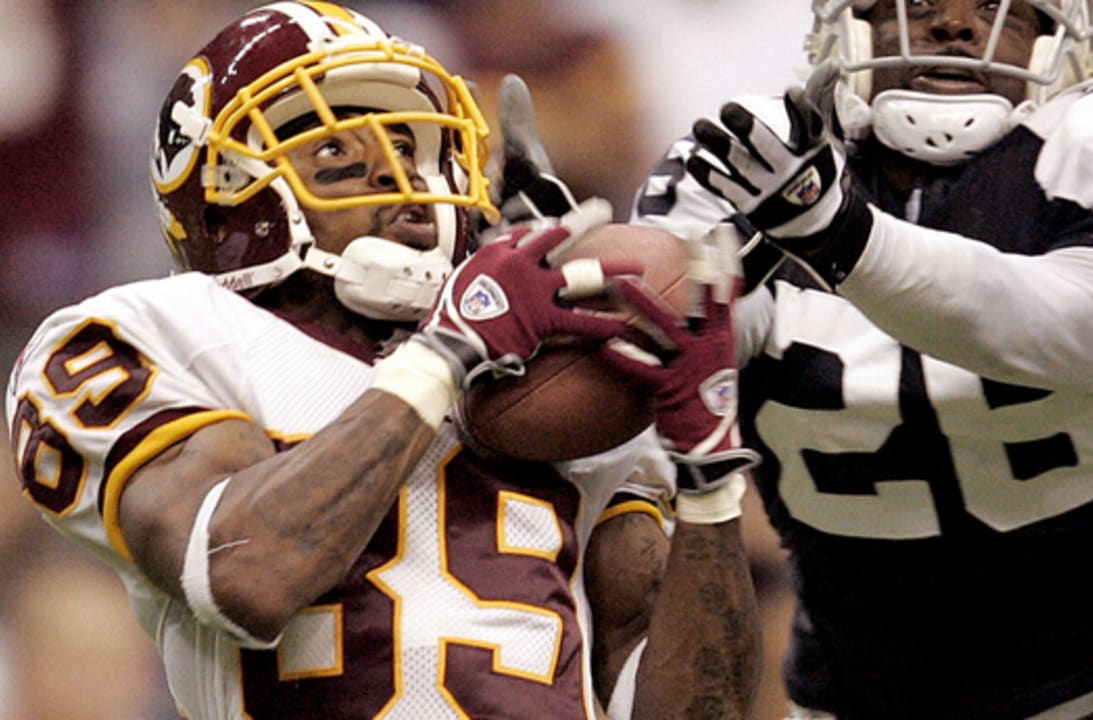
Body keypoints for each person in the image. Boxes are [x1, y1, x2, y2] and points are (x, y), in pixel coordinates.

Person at [4, 3, 761, 719]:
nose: (398, 179)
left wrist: (707, 470)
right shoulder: (164, 332)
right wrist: (445, 356)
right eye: (336, 150)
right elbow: (242, 575)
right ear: (227, 193)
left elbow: (692, 708)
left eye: (410, 147)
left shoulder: (548, 376)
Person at [630, 0, 1093, 717]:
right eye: (921, 5)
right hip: (852, 699)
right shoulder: (750, 156)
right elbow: (676, 362)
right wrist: (563, 290)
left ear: (1062, 39)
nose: (956, 27)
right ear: (849, 29)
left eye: (1000, 9)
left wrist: (837, 233)